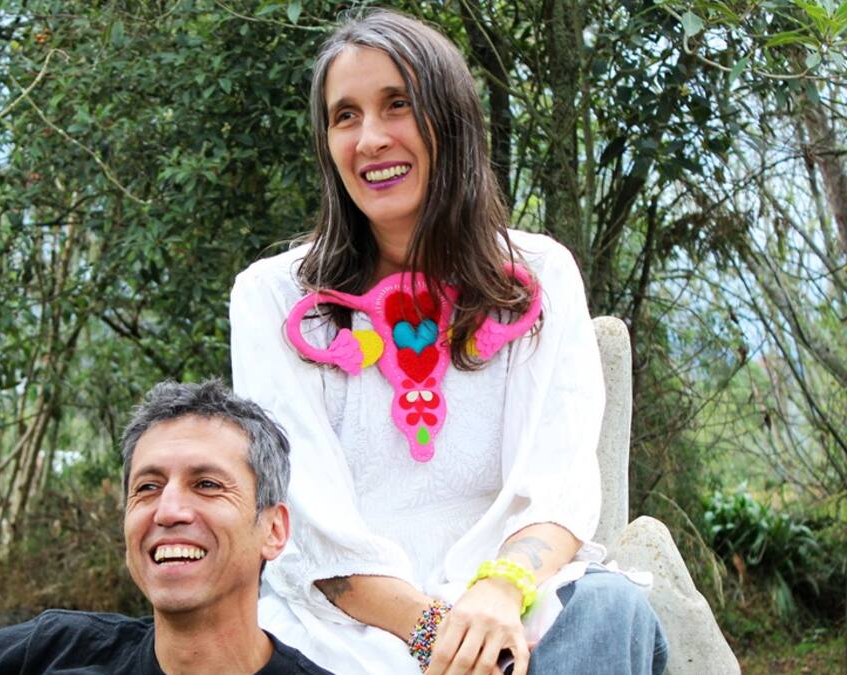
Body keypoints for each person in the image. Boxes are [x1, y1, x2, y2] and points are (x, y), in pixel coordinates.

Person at [229, 9, 668, 675]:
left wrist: (499, 593)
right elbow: (308, 526)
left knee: (612, 609)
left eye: (397, 104)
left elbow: (559, 484)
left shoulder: (540, 275)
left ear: (451, 119)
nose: (370, 138)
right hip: (342, 633)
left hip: (516, 610)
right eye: (345, 116)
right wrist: (441, 633)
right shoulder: (272, 297)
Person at [0, 380, 332, 675]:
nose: (168, 510)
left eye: (207, 485)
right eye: (147, 487)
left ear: (273, 529)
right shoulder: (57, 649)